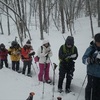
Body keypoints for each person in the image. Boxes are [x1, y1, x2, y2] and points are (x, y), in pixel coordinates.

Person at [82, 33, 100, 100]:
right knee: (90, 91)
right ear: (95, 41)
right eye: (98, 42)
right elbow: (84, 59)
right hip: (92, 74)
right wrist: (91, 60)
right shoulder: (91, 48)